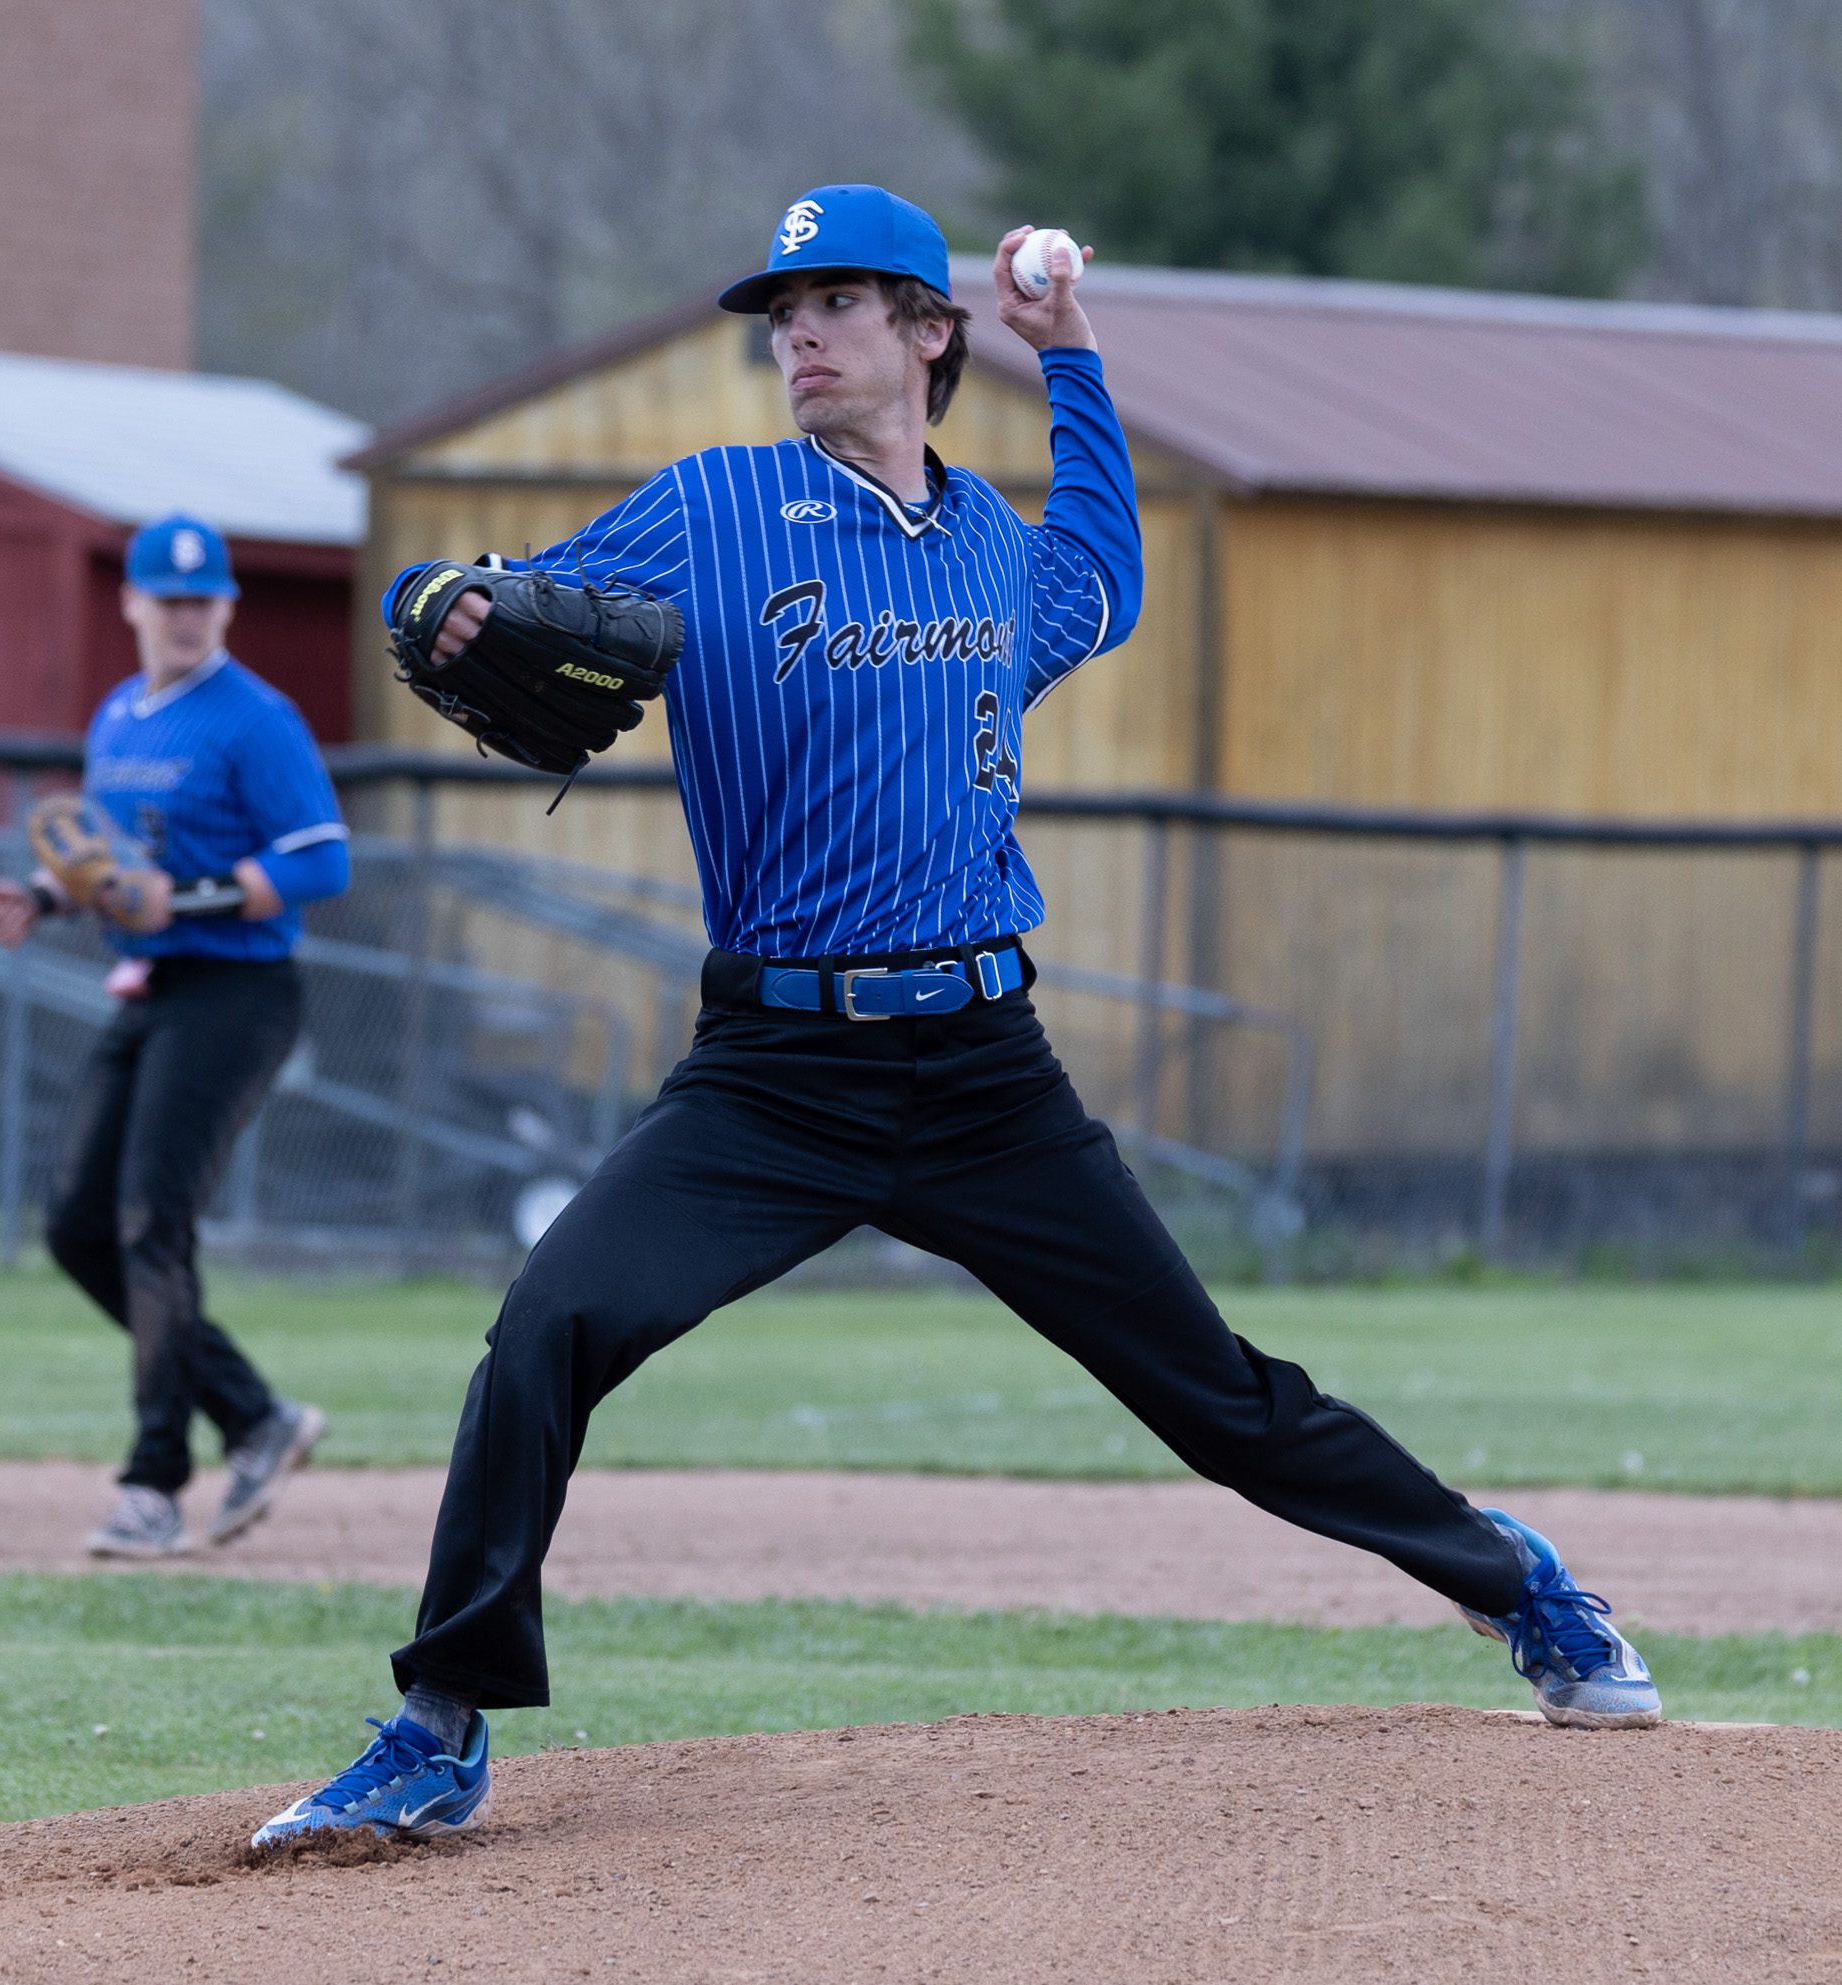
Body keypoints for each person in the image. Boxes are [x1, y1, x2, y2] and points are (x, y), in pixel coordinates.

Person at [252, 186, 1657, 1849]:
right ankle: (440, 1722)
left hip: (990, 1075)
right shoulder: (711, 508)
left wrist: (1076, 359)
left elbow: (1102, 576)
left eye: (838, 302)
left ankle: (1516, 1582)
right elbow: (510, 595)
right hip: (775, 1074)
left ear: (930, 335)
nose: (800, 334)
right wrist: (436, 594)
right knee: (549, 1325)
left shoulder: (990, 541)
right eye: (785, 313)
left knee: (1221, 1399)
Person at [0, 513, 348, 1559]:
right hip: (151, 988)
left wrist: (182, 896)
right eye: (169, 599)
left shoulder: (255, 717)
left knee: (150, 1219)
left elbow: (321, 859)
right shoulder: (120, 715)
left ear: (225, 607)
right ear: (132, 601)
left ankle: (152, 1482)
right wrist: (42, 897)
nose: (187, 616)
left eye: (204, 600)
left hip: (237, 991)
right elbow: (112, 867)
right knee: (77, 1226)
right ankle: (255, 1415)